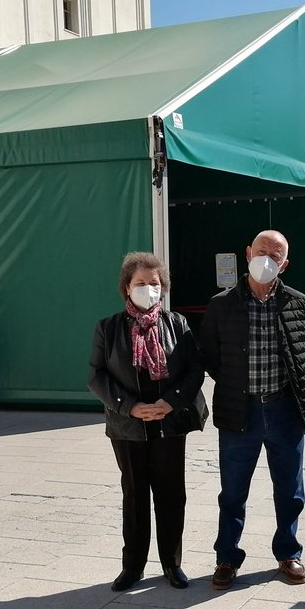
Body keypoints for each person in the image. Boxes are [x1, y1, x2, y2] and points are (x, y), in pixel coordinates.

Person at [200, 229, 305, 590]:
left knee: (290, 489)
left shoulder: (299, 303)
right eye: (262, 250)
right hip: (240, 411)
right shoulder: (222, 304)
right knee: (233, 491)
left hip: (285, 409)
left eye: (276, 254)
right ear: (249, 251)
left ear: (285, 264)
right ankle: (227, 557)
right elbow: (210, 355)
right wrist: (239, 385)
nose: (267, 258)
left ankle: (288, 552)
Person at [88, 251, 208, 591]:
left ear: (163, 287)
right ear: (127, 287)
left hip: (169, 423)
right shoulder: (108, 328)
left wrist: (169, 403)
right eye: (140, 283)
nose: (147, 289)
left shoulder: (178, 324)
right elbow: (96, 376)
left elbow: (194, 369)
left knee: (171, 494)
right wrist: (130, 407)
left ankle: (172, 563)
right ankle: (133, 566)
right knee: (135, 494)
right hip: (128, 426)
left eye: (154, 284)